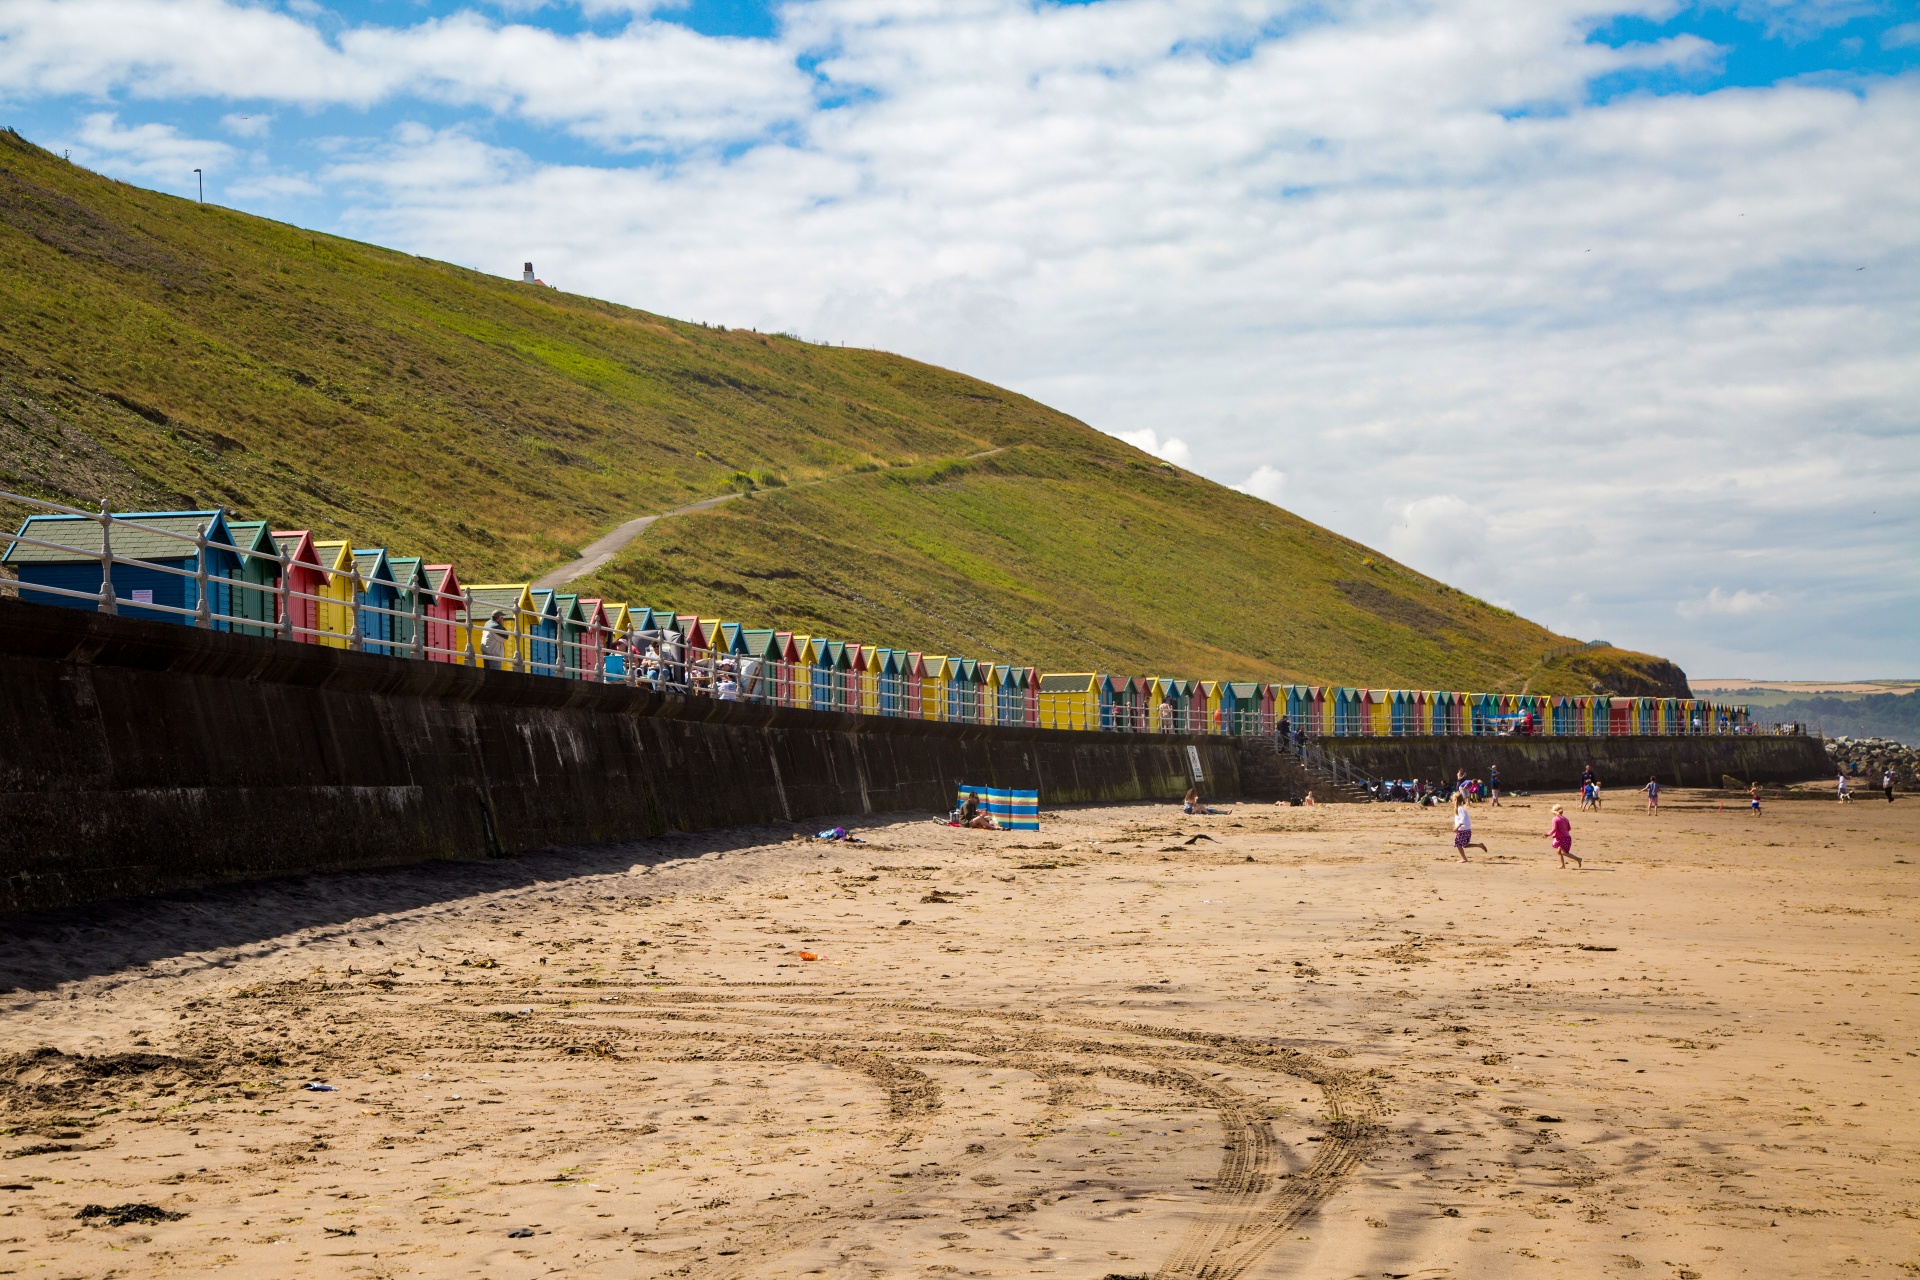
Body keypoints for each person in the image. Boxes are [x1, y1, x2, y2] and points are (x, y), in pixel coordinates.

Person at [1547, 804, 1579, 868]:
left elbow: (1554, 829)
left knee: (1564, 852)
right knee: (1559, 851)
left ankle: (1578, 859)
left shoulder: (1555, 819)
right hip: (1567, 837)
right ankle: (1562, 865)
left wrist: (1547, 834)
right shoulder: (1565, 819)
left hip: (1563, 838)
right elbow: (1569, 828)